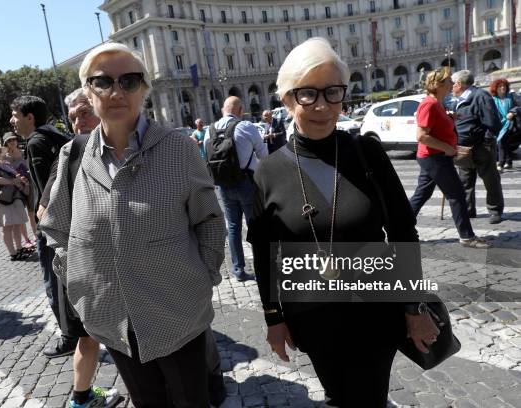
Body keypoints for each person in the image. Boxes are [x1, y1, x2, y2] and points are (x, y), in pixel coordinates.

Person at [247, 37, 438, 408]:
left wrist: (413, 308)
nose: (321, 105)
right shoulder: (268, 171)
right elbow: (264, 254)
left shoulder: (367, 153)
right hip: (312, 316)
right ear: (287, 99)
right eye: (307, 94)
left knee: (369, 397)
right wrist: (274, 318)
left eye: (332, 92)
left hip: (376, 311)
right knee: (336, 395)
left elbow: (403, 233)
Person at [40, 42, 226, 407]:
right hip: (114, 322)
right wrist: (82, 286)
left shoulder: (178, 148)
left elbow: (209, 221)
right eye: (102, 82)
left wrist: (201, 279)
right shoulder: (73, 155)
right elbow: (56, 230)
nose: (116, 91)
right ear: (88, 93)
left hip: (178, 317)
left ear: (144, 88)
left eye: (129, 80)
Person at [38, 88, 121, 408]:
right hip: (89, 269)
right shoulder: (71, 155)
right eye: (72, 118)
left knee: (91, 336)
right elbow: (43, 213)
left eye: (84, 113)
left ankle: (81, 397)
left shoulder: (115, 150)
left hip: (101, 269)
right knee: (94, 335)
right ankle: (82, 397)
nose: (78, 122)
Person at [9, 95, 77, 358]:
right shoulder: (57, 136)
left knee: (54, 282)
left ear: (30, 117)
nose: (11, 121)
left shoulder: (37, 142)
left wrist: (40, 223)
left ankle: (69, 336)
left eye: (15, 115)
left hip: (52, 226)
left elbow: (44, 191)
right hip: (71, 221)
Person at [408, 69, 491, 248]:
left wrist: (449, 117)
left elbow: (434, 125)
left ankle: (400, 226)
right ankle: (467, 237)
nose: (452, 83)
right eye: (447, 81)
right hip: (435, 157)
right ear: (436, 85)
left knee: (422, 194)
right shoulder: (429, 104)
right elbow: (422, 136)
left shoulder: (437, 103)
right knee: (457, 194)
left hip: (434, 156)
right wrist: (447, 148)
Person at [205, 96, 268, 282]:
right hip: (247, 183)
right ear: (240, 110)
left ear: (223, 110)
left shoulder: (210, 130)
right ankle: (262, 267)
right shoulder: (246, 126)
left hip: (224, 186)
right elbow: (263, 156)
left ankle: (239, 270)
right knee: (255, 227)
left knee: (233, 227)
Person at [451, 70, 504, 224]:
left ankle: (495, 210)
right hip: (463, 148)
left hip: (481, 147)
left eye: (453, 84)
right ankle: (468, 210)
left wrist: (486, 142)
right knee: (465, 181)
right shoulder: (458, 99)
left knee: (490, 180)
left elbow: (492, 122)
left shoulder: (480, 95)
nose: (451, 87)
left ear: (459, 84)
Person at [0, 143, 31, 261]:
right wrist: (13, 181)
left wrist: (20, 180)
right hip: (2, 199)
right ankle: (13, 253)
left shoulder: (5, 164)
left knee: (17, 224)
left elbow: (16, 176)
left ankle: (20, 248)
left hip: (14, 196)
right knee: (7, 227)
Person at [2, 132, 36, 249]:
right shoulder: (4, 157)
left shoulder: (23, 152)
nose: (12, 142)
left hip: (29, 183)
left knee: (32, 211)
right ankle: (26, 239)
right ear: (6, 143)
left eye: (14, 139)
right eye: (9, 140)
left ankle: (36, 235)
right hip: (16, 188)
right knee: (21, 215)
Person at [490, 78, 516, 171]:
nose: (503, 88)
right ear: (495, 88)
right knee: (504, 142)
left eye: (504, 86)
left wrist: (512, 113)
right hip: (499, 124)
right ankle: (508, 161)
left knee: (501, 142)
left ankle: (501, 163)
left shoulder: (511, 97)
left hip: (511, 123)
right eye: (500, 86)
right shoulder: (493, 99)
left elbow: (518, 107)